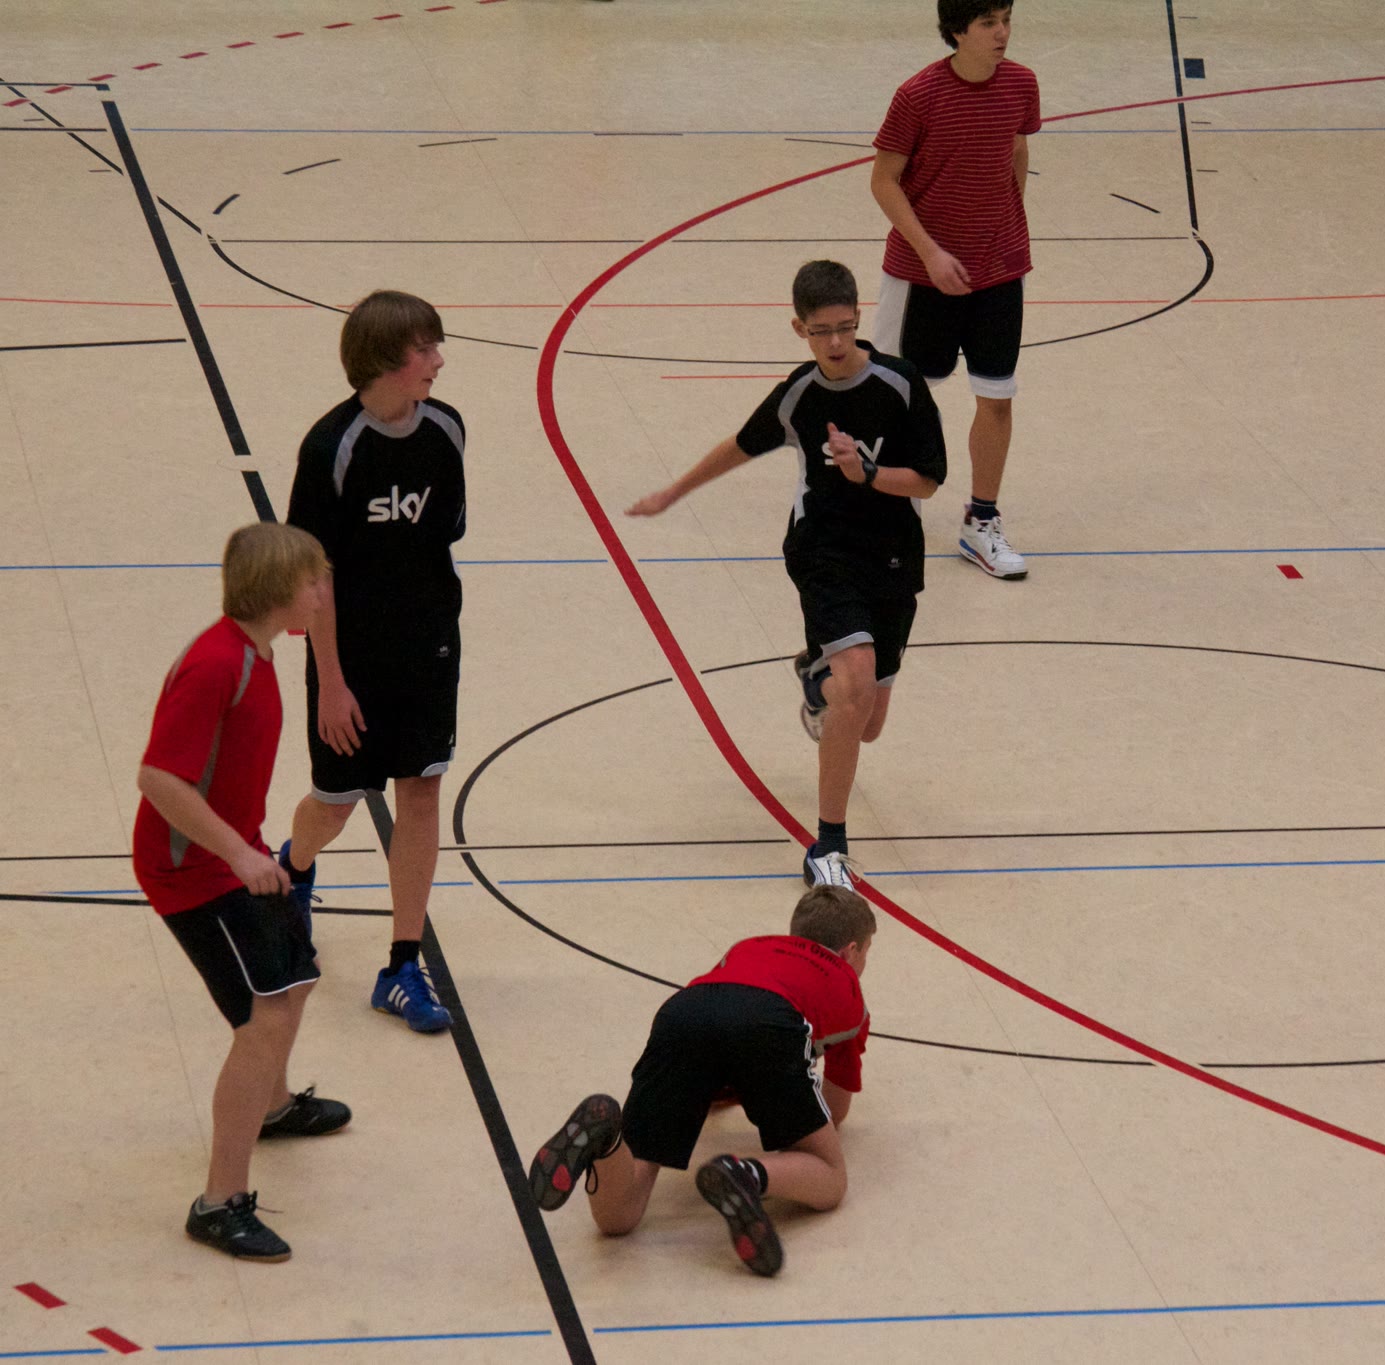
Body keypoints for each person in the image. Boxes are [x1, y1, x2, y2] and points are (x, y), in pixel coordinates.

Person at [627, 260, 945, 889]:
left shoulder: (901, 384)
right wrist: (674, 492)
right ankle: (828, 843)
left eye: (845, 327)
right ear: (799, 328)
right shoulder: (799, 394)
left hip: (892, 558)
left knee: (867, 722)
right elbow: (741, 444)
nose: (835, 342)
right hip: (823, 552)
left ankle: (815, 673)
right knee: (856, 681)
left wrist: (868, 475)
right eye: (821, 331)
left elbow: (929, 482)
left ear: (859, 317)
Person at [133, 522, 353, 1262]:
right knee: (264, 1018)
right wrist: (237, 853)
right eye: (313, 581)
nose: (323, 592)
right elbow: (158, 778)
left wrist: (248, 849)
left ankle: (272, 1104)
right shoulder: (216, 665)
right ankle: (218, 1203)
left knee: (298, 977)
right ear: (277, 589)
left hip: (236, 855)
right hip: (191, 872)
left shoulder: (255, 652)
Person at [280, 290, 466, 1033]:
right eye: (426, 349)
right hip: (349, 657)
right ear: (387, 359)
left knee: (422, 791)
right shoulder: (331, 447)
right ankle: (293, 868)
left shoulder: (446, 429)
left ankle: (402, 965)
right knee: (336, 803)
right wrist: (331, 681)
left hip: (429, 645)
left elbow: (444, 533)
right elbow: (311, 573)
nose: (439, 360)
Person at [527, 886, 877, 1277]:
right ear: (850, 952)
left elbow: (719, 1035)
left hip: (683, 1014)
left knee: (618, 1218)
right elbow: (835, 1109)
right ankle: (746, 1174)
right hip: (769, 1021)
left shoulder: (749, 947)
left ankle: (607, 1139)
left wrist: (737, 1087)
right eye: (867, 951)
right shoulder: (847, 986)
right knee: (830, 1177)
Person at [869, 0, 1038, 580]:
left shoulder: (1021, 83)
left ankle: (981, 521)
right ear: (957, 30)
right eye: (989, 22)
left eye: (1007, 19)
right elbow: (883, 181)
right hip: (922, 276)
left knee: (997, 396)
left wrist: (1004, 224)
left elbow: (1017, 147)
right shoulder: (918, 95)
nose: (1003, 32)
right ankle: (895, 513)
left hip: (1000, 271)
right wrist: (931, 252)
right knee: (903, 397)